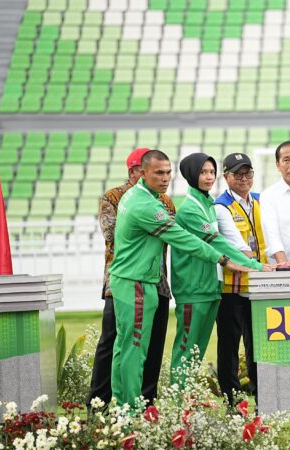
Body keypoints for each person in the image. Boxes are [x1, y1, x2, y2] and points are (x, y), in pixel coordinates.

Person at [109, 149, 254, 408]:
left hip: (136, 280)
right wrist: (223, 259)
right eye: (159, 173)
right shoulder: (146, 204)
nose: (165, 178)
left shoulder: (146, 197)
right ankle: (131, 409)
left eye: (168, 173)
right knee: (134, 347)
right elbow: (183, 239)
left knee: (126, 346)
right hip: (137, 282)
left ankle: (123, 406)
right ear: (142, 173)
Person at [170, 153, 270, 386]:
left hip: (209, 287)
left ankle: (185, 405)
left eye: (211, 172)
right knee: (186, 350)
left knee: (195, 353)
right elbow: (219, 243)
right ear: (191, 175)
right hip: (193, 288)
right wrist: (255, 266)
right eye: (203, 172)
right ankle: (176, 406)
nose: (208, 177)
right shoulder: (191, 209)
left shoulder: (206, 204)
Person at [89, 148, 172, 409]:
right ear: (134, 171)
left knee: (153, 343)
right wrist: (144, 220)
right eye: (141, 170)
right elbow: (111, 233)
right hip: (122, 281)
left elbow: (173, 234)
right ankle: (99, 403)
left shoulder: (165, 200)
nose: (157, 176)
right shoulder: (114, 197)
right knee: (113, 341)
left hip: (157, 280)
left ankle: (146, 402)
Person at [213, 153, 269, 406]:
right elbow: (236, 247)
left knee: (258, 343)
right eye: (238, 174)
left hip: (258, 285)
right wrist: (261, 266)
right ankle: (232, 399)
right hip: (231, 287)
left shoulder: (260, 201)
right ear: (226, 177)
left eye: (248, 173)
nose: (244, 179)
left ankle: (262, 396)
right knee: (229, 345)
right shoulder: (220, 206)